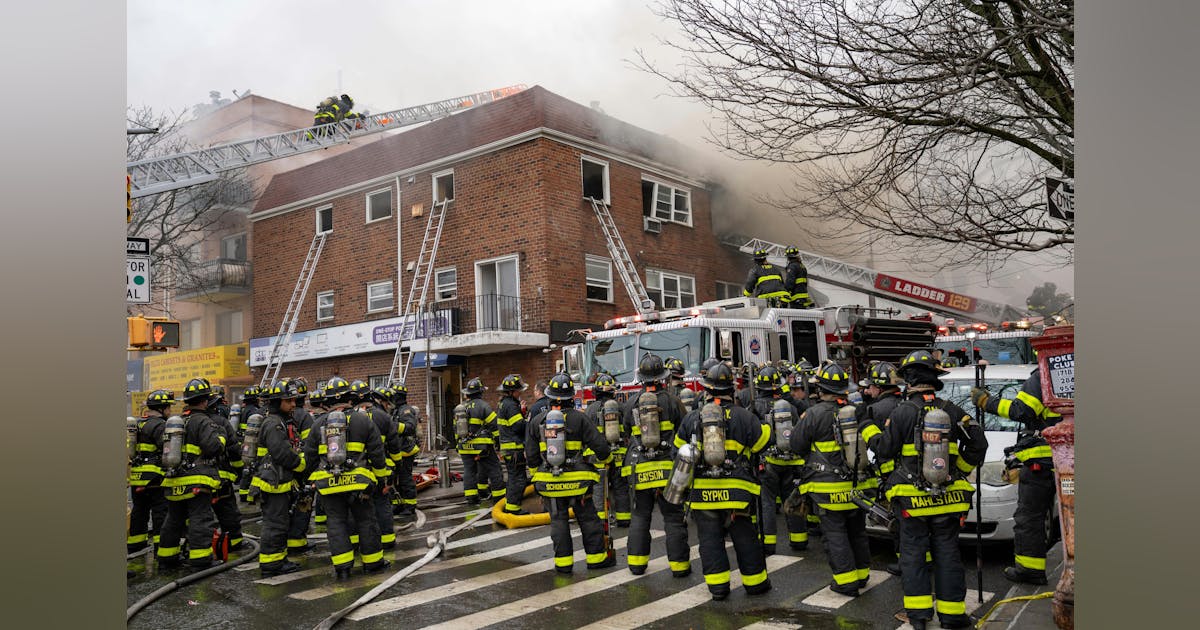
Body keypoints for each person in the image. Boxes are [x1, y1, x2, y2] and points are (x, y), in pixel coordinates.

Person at [862, 350, 988, 630]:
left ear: (908, 380)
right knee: (948, 555)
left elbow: (884, 449)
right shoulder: (952, 410)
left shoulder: (903, 412)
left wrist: (868, 430)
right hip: (949, 498)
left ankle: (919, 617)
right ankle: (953, 616)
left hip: (912, 500)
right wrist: (959, 471)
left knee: (914, 556)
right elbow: (979, 443)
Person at [675, 362, 773, 600]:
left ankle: (718, 588)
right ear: (731, 388)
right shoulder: (744, 416)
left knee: (709, 540)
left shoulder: (692, 418)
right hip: (738, 492)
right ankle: (755, 584)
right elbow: (763, 445)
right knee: (745, 537)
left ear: (707, 390)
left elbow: (678, 451)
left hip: (703, 494)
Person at [972, 367, 1062, 585]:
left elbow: (1022, 410)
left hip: (1041, 460)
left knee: (1030, 517)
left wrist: (986, 402)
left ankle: (1030, 570)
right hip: (1065, 457)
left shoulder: (1044, 375)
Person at [791, 364, 873, 596]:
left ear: (820, 388)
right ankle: (862, 575)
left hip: (827, 488)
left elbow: (796, 445)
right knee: (857, 532)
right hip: (858, 486)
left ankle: (846, 582)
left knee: (835, 534)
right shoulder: (858, 410)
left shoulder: (814, 414)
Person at [526, 373, 614, 573]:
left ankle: (563, 565)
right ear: (571, 397)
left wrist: (536, 477)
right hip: (578, 483)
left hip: (549, 481)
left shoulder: (537, 420)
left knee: (558, 521)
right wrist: (608, 461)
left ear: (549, 396)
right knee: (588, 519)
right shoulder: (579, 419)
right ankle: (596, 559)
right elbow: (599, 445)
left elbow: (531, 456)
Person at [305, 376, 390, 578]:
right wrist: (380, 480)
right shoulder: (363, 420)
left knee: (336, 522)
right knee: (366, 521)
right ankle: (373, 564)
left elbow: (309, 458)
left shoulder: (318, 425)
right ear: (350, 399)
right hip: (359, 483)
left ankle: (342, 568)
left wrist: (310, 481)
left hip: (329, 484)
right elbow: (377, 453)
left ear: (327, 402)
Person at [621, 354, 691, 577]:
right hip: (666, 469)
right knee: (672, 517)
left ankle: (636, 565)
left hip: (638, 469)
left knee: (641, 516)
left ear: (641, 379)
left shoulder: (630, 403)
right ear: (662, 377)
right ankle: (679, 567)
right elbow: (685, 430)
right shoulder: (672, 401)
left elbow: (625, 433)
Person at [156, 378, 224, 570]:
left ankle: (167, 558)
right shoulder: (203, 421)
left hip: (174, 478)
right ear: (204, 401)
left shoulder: (178, 421)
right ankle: (201, 559)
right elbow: (212, 448)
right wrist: (221, 439)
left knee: (174, 519)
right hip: (197, 479)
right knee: (200, 518)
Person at [249, 379, 307, 577]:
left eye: (294, 400)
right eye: (288, 401)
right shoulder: (274, 424)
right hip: (273, 483)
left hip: (278, 482)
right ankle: (271, 564)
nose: (293, 404)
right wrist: (300, 463)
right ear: (276, 402)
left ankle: (279, 558)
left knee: (280, 522)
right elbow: (281, 453)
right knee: (275, 524)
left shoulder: (279, 421)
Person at [749, 367, 809, 554]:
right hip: (791, 462)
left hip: (768, 462)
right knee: (791, 500)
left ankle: (768, 544)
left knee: (766, 502)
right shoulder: (789, 406)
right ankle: (799, 540)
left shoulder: (755, 406)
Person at [859, 361, 908, 575]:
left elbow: (877, 446)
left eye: (870, 386)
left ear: (879, 387)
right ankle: (920, 559)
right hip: (912, 470)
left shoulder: (874, 409)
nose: (867, 390)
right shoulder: (907, 403)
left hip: (891, 473)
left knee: (901, 519)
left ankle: (905, 562)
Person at [584, 373, 632, 526]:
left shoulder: (590, 410)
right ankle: (624, 520)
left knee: (598, 489)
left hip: (597, 457)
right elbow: (628, 432)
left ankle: (601, 520)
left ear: (596, 391)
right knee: (621, 487)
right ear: (613, 392)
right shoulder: (622, 408)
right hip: (619, 455)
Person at [128, 390, 171, 553]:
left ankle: (135, 543)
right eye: (168, 408)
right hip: (155, 477)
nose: (169, 411)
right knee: (160, 511)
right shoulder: (161, 425)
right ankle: (161, 545)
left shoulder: (138, 423)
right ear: (163, 408)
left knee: (139, 511)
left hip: (137, 477)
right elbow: (166, 450)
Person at [363, 385, 404, 549]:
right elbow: (394, 446)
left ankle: (365, 541)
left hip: (361, 469)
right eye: (387, 403)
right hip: (381, 467)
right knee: (382, 504)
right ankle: (387, 540)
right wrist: (398, 465)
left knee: (364, 508)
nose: (388, 407)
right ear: (381, 401)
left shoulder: (356, 416)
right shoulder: (383, 417)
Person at [206, 383, 244, 557]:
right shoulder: (221, 421)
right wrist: (238, 470)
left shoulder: (186, 420)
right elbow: (234, 448)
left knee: (200, 514)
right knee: (227, 511)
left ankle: (199, 545)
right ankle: (234, 542)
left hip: (195, 478)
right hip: (221, 475)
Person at [457, 377, 504, 506]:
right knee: (494, 469)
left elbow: (456, 428)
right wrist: (497, 440)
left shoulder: (461, 408)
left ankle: (472, 498)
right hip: (482, 445)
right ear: (480, 392)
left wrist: (458, 444)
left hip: (464, 445)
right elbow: (494, 424)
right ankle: (499, 498)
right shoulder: (483, 406)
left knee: (469, 470)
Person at [496, 374, 531, 516]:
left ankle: (511, 505)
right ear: (512, 391)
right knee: (519, 479)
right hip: (514, 449)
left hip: (508, 449)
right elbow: (518, 426)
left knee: (513, 478)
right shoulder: (511, 405)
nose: (520, 393)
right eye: (518, 390)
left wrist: (521, 412)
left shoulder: (504, 403)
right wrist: (528, 421)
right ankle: (513, 508)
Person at [389, 384, 421, 521]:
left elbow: (410, 427)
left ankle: (410, 506)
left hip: (406, 450)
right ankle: (398, 504)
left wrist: (394, 426)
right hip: (397, 450)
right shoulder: (395, 410)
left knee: (405, 479)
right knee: (395, 479)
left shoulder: (406, 410)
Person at [237, 385, 263, 502]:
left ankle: (242, 493)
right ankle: (250, 496)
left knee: (246, 467)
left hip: (242, 441)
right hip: (251, 442)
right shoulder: (254, 412)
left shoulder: (243, 410)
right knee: (252, 468)